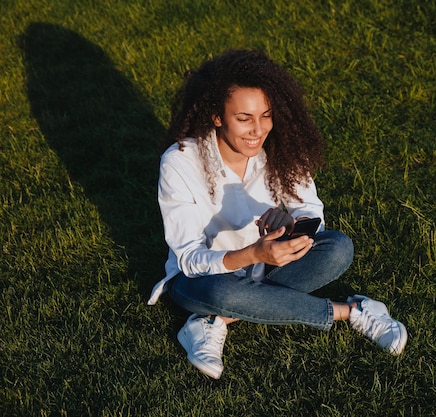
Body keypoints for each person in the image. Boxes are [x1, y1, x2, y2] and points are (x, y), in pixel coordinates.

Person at [147, 49, 407, 379]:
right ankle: (352, 312)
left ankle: (217, 320)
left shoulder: (279, 148)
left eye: (266, 115)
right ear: (216, 116)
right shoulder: (181, 162)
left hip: (268, 267)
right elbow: (189, 259)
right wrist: (252, 252)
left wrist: (294, 227)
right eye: (244, 119)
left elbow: (310, 210)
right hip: (202, 281)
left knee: (338, 247)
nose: (258, 130)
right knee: (221, 293)